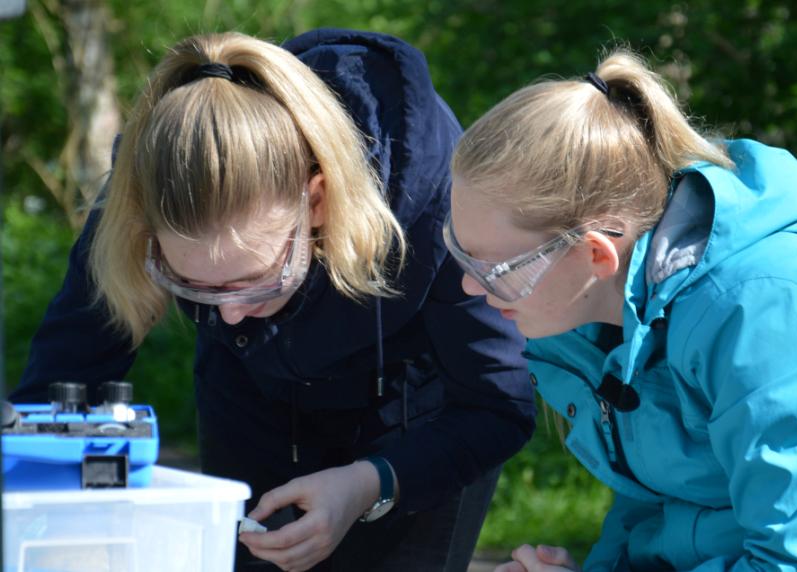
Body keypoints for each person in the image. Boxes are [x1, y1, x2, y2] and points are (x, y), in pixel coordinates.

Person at [13, 29, 537, 571]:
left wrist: (369, 483)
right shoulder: (153, 184)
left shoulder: (439, 201)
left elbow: (500, 404)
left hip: (416, 433)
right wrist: (30, 492)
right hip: (248, 403)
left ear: (316, 201)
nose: (231, 313)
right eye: (194, 287)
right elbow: (66, 372)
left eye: (257, 279)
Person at [445, 47, 797, 571]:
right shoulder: (590, 325)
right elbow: (658, 502)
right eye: (459, 251)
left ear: (596, 254)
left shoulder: (763, 311)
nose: (469, 284)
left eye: (495, 269)